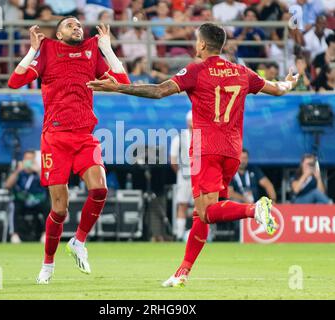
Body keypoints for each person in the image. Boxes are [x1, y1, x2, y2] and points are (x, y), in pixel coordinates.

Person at [87, 22, 299, 288]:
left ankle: (255, 209)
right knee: (202, 215)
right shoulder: (242, 72)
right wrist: (290, 82)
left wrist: (117, 88)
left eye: (195, 41)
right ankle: (182, 272)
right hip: (232, 152)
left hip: (205, 149)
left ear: (201, 45)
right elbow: (277, 89)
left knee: (206, 212)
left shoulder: (197, 70)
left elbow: (159, 91)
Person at [7, 18, 130, 284]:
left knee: (100, 190)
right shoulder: (49, 50)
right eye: (69, 25)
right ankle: (47, 265)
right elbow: (15, 82)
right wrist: (32, 51)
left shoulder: (90, 51)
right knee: (60, 210)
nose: (76, 27)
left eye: (78, 25)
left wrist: (107, 49)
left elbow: (122, 81)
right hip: (55, 138)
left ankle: (79, 241)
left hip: (85, 136)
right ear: (59, 33)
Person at [4, 150, 49, 244]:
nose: (28, 161)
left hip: (37, 201)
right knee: (13, 205)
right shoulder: (19, 172)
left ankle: (46, 234)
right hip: (22, 201)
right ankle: (14, 235)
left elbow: (47, 185)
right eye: (26, 159)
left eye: (30, 159)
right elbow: (7, 185)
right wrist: (17, 171)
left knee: (47, 206)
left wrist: (38, 171)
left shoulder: (39, 171)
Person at [170, 111, 193, 241]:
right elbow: (173, 159)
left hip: (200, 176)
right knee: (182, 204)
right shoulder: (179, 138)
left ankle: (200, 234)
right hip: (184, 176)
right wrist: (181, 172)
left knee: (201, 206)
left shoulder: (203, 136)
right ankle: (179, 234)